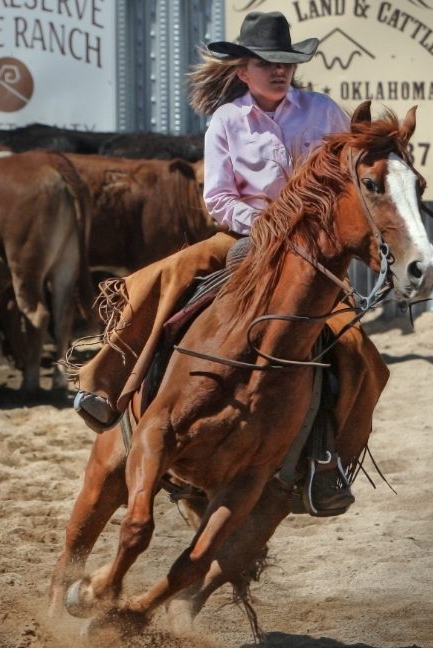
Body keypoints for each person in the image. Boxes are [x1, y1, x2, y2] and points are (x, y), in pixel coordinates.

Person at [72, 11, 361, 514]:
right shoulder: (227, 121)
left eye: (285, 62)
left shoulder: (324, 112)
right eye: (265, 62)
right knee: (174, 274)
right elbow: (219, 198)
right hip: (245, 237)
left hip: (313, 253)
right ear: (242, 71)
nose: (277, 71)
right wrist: (268, 225)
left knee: (353, 347)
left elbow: (350, 180)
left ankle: (324, 459)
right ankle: (107, 378)